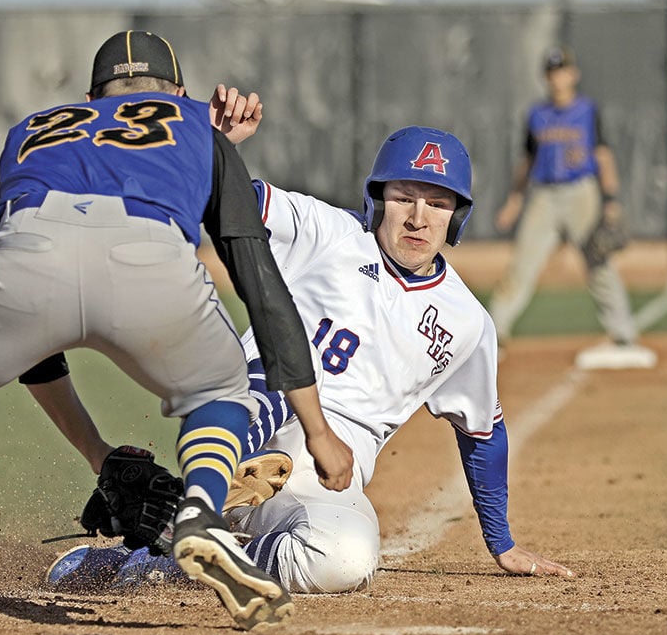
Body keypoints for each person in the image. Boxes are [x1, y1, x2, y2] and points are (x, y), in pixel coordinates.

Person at [0, 31, 353, 635]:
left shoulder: (32, 129)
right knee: (220, 395)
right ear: (180, 92)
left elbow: (32, 339)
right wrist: (318, 431)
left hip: (30, 249)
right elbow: (260, 287)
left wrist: (96, 453)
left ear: (90, 98)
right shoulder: (198, 127)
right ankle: (201, 515)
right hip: (150, 260)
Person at [45, 86, 574, 596]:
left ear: (457, 216)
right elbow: (227, 200)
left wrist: (502, 544)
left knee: (346, 559)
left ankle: (162, 561)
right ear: (377, 201)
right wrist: (211, 144)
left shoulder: (467, 324)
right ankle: (206, 492)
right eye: (404, 197)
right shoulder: (327, 231)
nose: (418, 217)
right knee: (261, 386)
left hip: (323, 478)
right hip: (249, 419)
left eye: (437, 203)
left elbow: (483, 432)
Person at [490, 46, 656, 369]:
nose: (558, 77)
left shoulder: (588, 111)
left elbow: (603, 155)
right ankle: (494, 335)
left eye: (563, 70)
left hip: (582, 193)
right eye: (552, 72)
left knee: (599, 263)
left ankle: (623, 335)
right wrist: (514, 200)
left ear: (574, 74)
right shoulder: (536, 115)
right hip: (544, 196)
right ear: (546, 77)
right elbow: (527, 161)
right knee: (521, 266)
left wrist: (610, 200)